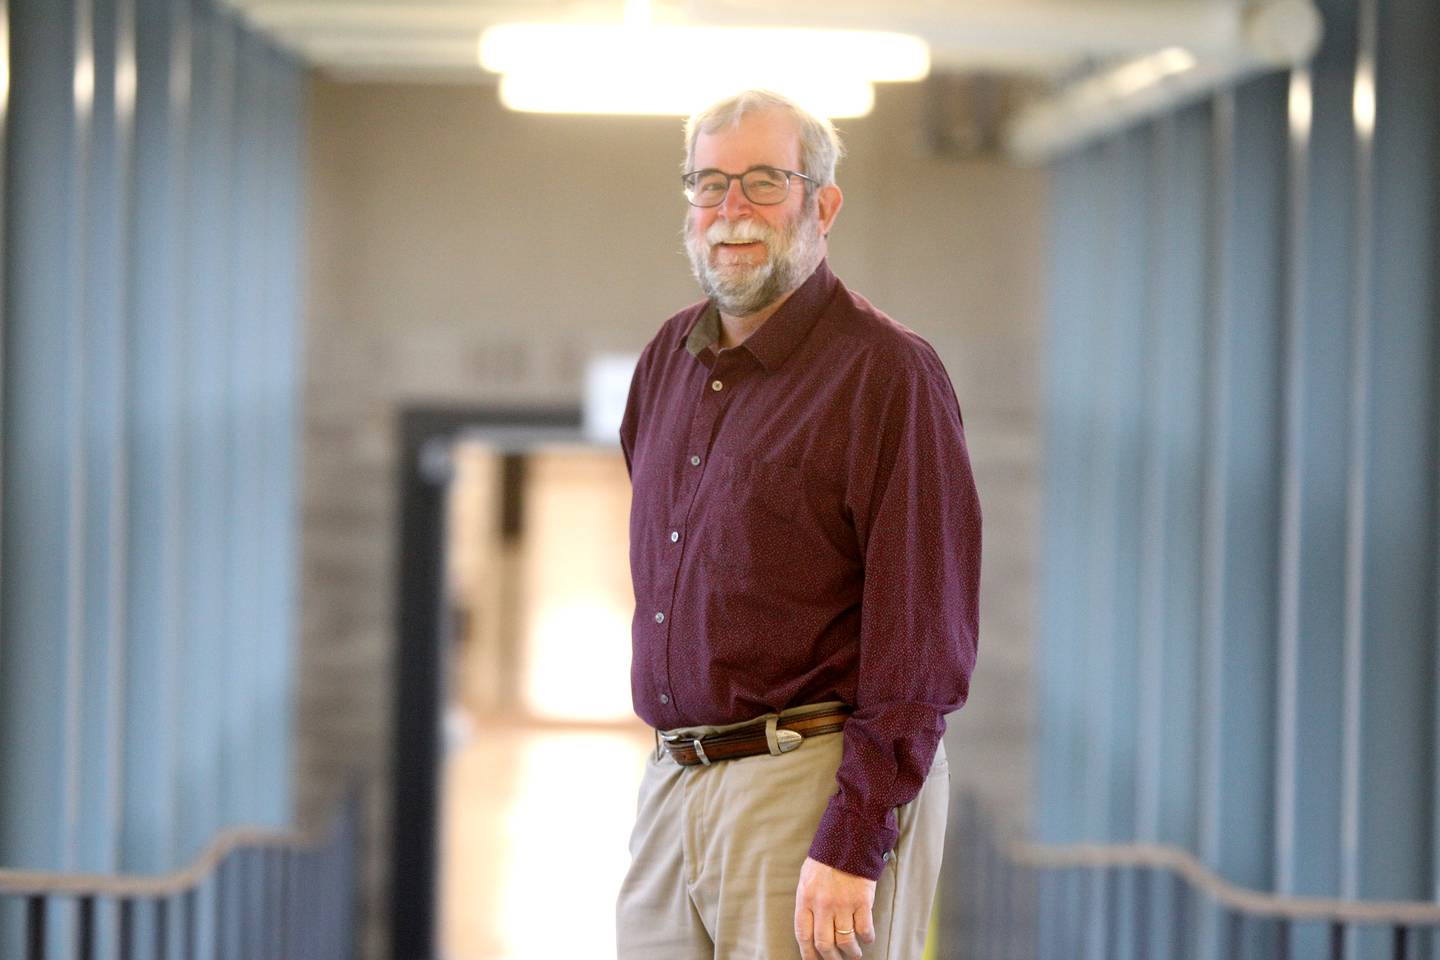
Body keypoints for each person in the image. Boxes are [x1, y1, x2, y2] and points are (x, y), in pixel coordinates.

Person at [615, 89, 981, 960]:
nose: (730, 210)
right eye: (708, 185)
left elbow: (923, 639)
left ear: (822, 204)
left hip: (807, 782)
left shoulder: (889, 376)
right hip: (671, 784)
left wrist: (853, 841)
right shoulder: (666, 360)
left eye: (762, 182)